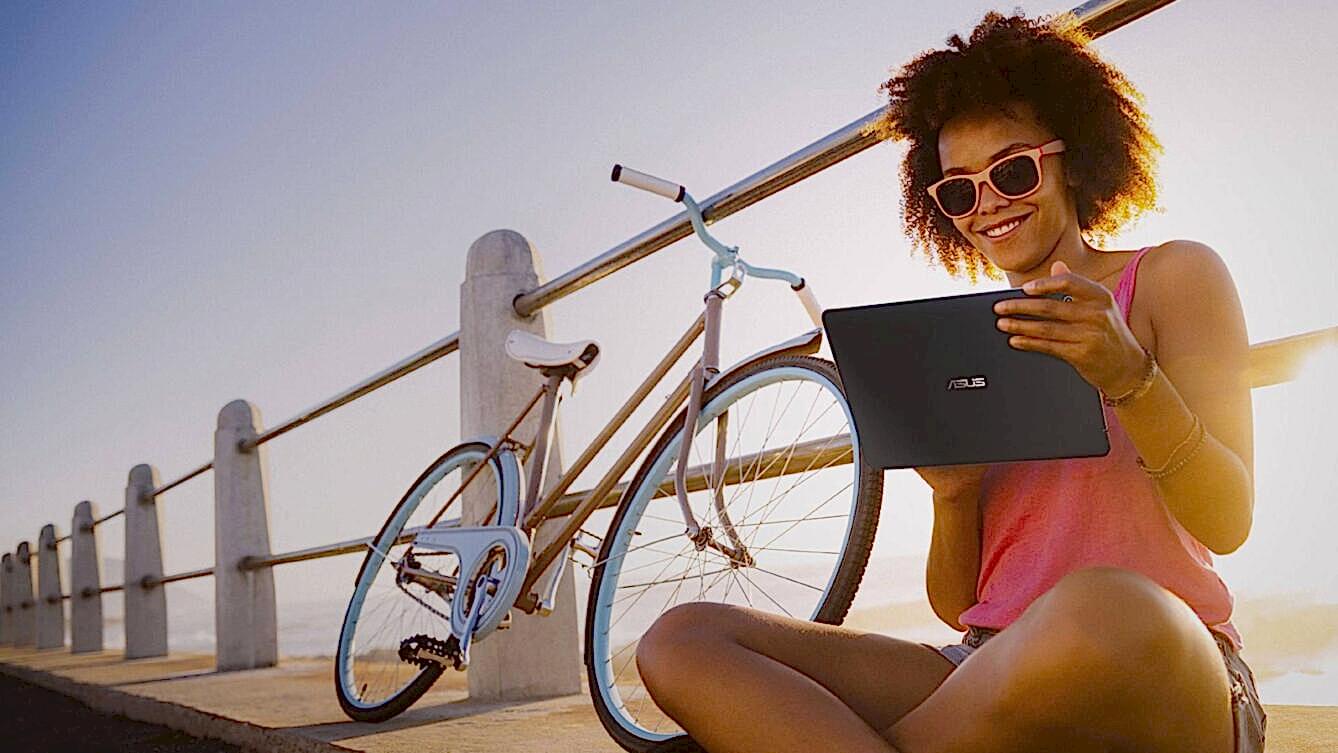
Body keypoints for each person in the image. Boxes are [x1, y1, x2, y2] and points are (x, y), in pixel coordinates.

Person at [633, 10, 1267, 753]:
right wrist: (953, 496)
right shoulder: (961, 343)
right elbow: (961, 605)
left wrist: (1130, 378)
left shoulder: (1172, 277)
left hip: (1165, 667)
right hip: (986, 664)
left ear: (1074, 158)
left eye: (1013, 170)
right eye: (958, 191)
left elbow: (1228, 518)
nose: (989, 202)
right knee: (683, 637)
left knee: (1104, 602)